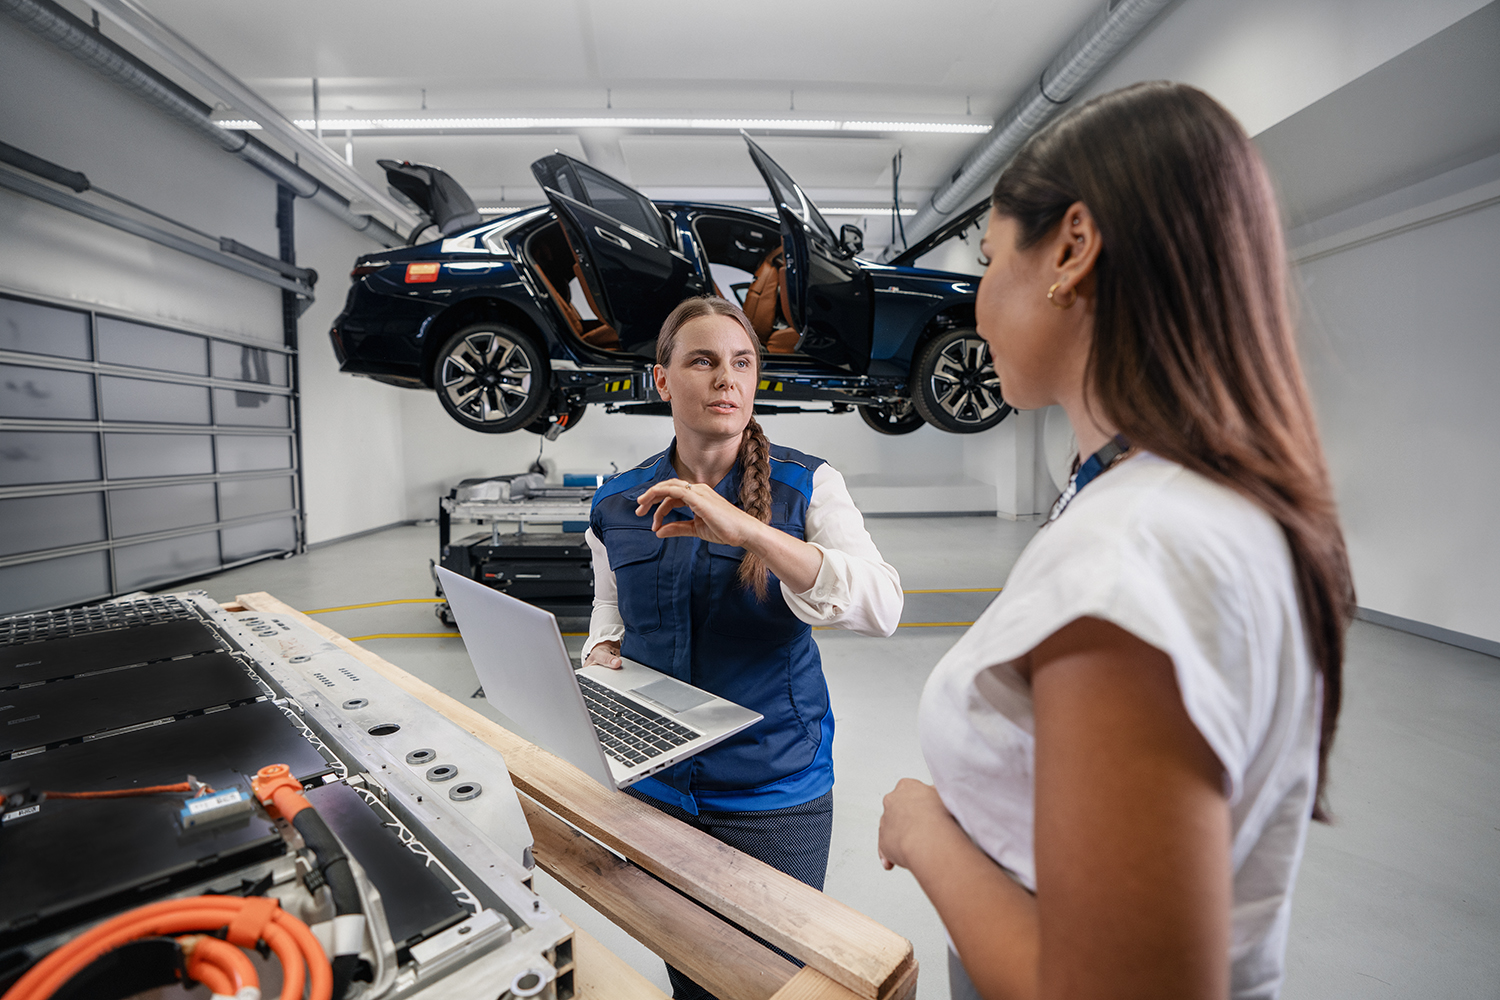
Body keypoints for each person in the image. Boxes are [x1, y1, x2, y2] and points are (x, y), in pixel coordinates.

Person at [877, 82, 1355, 1000]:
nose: (975, 301)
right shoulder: (1193, 505)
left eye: (986, 259)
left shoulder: (1138, 553)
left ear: (1072, 247)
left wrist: (923, 833)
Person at [582, 295, 903, 1000]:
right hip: (657, 790)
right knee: (693, 977)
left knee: (769, 984)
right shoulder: (617, 504)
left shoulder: (806, 485)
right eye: (702, 361)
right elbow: (608, 605)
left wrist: (749, 531)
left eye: (742, 362)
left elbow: (881, 606)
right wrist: (602, 650)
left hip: (772, 794)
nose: (727, 378)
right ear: (662, 381)